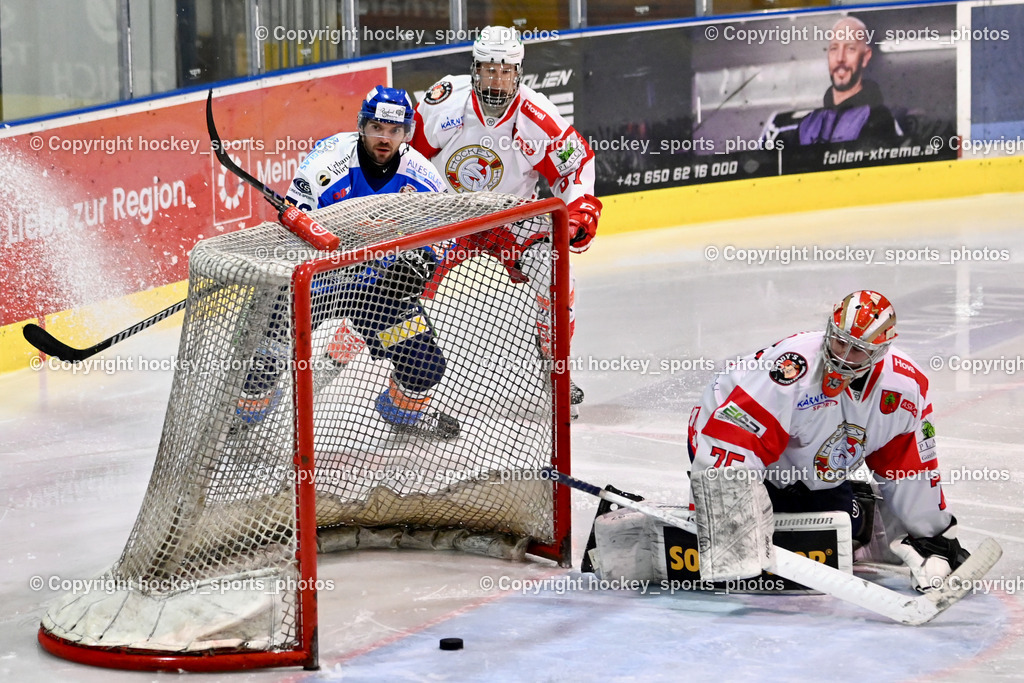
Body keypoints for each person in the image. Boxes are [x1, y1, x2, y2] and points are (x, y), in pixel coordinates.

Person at [685, 290, 969, 591]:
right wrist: (728, 522)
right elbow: (734, 437)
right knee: (745, 544)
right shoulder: (791, 370)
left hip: (816, 465)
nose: (842, 357)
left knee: (839, 529)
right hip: (720, 431)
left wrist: (933, 537)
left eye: (857, 350)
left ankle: (862, 511)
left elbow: (909, 469)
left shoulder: (906, 388)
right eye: (840, 342)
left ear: (880, 350)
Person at [235, 85, 459, 439]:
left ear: (406, 133)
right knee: (264, 359)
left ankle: (401, 417)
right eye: (376, 128)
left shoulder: (421, 174)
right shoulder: (329, 161)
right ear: (362, 126)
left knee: (424, 364)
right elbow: (297, 226)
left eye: (394, 131)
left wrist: (421, 261)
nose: (384, 138)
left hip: (376, 288)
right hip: (315, 283)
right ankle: (242, 424)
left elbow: (447, 228)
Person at [410, 25, 602, 416]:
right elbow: (410, 157)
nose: (496, 79)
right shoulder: (445, 100)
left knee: (557, 274)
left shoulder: (537, 116)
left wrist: (580, 209)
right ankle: (341, 361)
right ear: (474, 69)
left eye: (505, 70)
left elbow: (576, 166)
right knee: (393, 282)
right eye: (488, 69)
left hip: (511, 216)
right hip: (447, 215)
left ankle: (556, 367)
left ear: (518, 72)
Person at [796, 16, 901, 147]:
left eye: (850, 49)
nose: (840, 58)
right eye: (834, 48)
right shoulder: (807, 124)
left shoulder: (878, 119)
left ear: (865, 57)